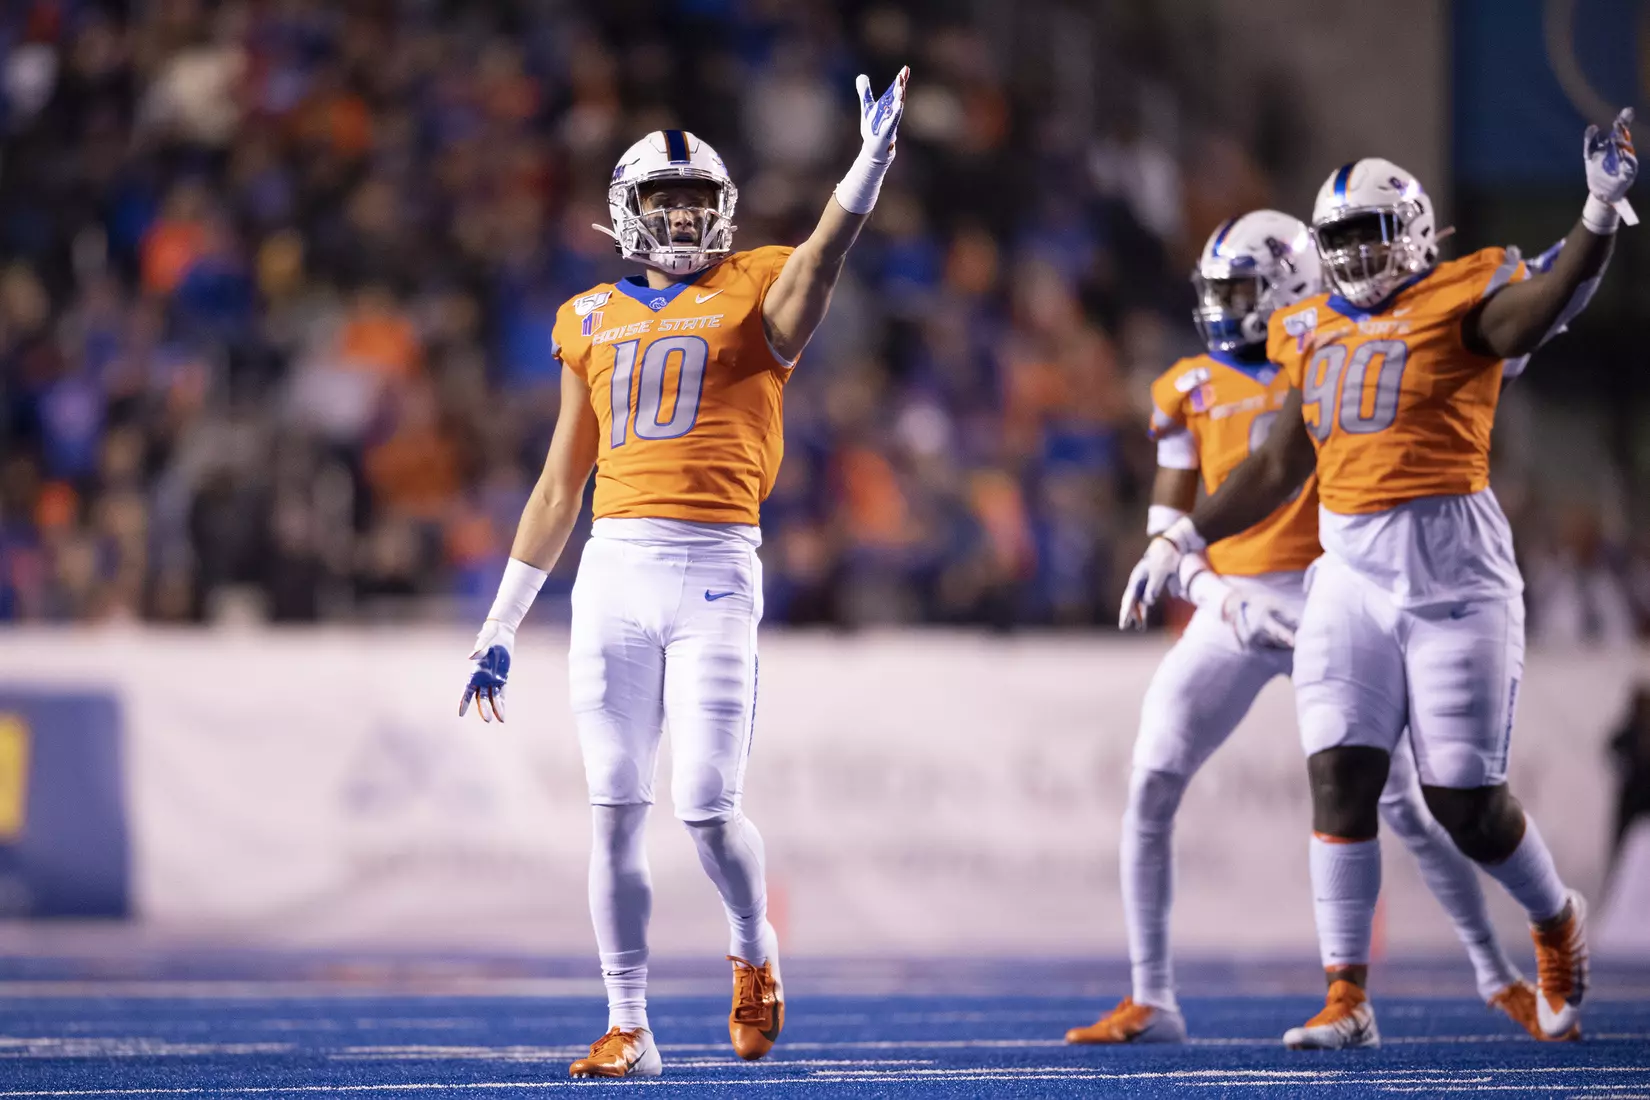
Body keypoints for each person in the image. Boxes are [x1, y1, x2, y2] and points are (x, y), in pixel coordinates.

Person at [1119, 109, 1638, 1049]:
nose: (1356, 255)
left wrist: (1599, 212)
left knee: (1463, 805)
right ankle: (1346, 995)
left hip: (1455, 579)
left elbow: (1551, 298)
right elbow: (1280, 464)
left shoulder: (1465, 296)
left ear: (1413, 227)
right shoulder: (1306, 327)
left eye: (1370, 232)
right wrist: (1182, 537)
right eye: (1341, 238)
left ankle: (1554, 919)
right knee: (1342, 781)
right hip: (1349, 576)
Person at [458, 69, 911, 1078]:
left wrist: (866, 168)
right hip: (614, 573)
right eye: (666, 201)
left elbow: (822, 265)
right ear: (627, 210)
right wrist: (498, 625)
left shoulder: (754, 284)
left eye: (698, 201)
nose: (683, 217)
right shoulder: (586, 318)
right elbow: (554, 487)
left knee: (705, 802)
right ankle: (629, 1022)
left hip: (714, 567)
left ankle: (753, 946)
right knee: (615, 802)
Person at [1068, 212, 1541, 1047]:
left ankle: (1496, 971)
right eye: (1217, 290)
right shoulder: (1186, 384)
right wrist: (1210, 591)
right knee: (1150, 783)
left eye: (1242, 288)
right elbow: (1171, 513)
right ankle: (1151, 996)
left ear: (1287, 283)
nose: (1225, 306)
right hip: (1234, 603)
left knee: (1406, 809)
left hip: (1336, 594)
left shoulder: (1329, 346)